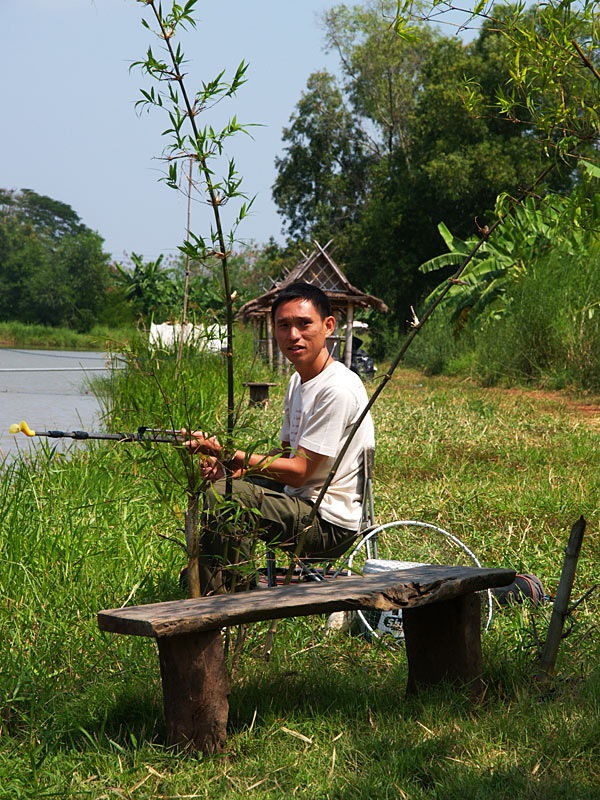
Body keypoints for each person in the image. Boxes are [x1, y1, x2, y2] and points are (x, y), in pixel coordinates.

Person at [183, 281, 375, 593]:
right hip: (297, 503)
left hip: (327, 525)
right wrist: (231, 473)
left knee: (228, 499)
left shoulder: (337, 388)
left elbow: (299, 474)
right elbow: (283, 458)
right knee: (221, 488)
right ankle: (217, 585)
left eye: (304, 324)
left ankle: (230, 597)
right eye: (283, 325)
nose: (293, 335)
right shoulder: (297, 381)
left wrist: (228, 454)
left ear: (328, 326)